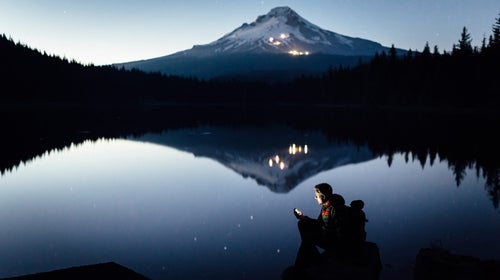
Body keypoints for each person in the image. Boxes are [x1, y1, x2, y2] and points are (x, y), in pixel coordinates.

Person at [292, 182, 347, 269]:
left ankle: (299, 267)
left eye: (317, 195)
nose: (315, 197)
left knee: (308, 239)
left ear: (323, 197)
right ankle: (313, 256)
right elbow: (319, 223)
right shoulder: (325, 207)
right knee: (302, 223)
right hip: (326, 234)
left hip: (333, 241)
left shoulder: (335, 209)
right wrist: (303, 218)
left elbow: (343, 230)